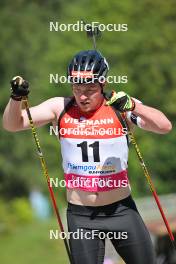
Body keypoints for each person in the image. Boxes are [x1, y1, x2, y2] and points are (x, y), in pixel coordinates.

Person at [3, 50, 172, 264]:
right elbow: (12, 124)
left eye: (90, 89)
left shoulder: (118, 105)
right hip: (81, 217)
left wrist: (134, 105)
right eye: (77, 88)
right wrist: (17, 98)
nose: (82, 96)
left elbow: (164, 126)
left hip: (121, 210)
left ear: (103, 83)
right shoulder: (60, 107)